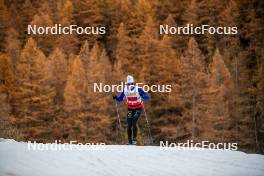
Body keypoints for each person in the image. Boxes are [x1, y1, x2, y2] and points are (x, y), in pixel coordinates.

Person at [113, 75, 149, 145]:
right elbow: (121, 98)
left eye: (130, 84)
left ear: (133, 84)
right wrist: (116, 97)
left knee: (134, 122)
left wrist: (143, 96)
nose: (128, 86)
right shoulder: (125, 90)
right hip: (130, 108)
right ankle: (129, 141)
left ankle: (134, 140)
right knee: (129, 124)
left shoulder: (138, 89)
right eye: (127, 84)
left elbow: (146, 96)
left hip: (138, 108)